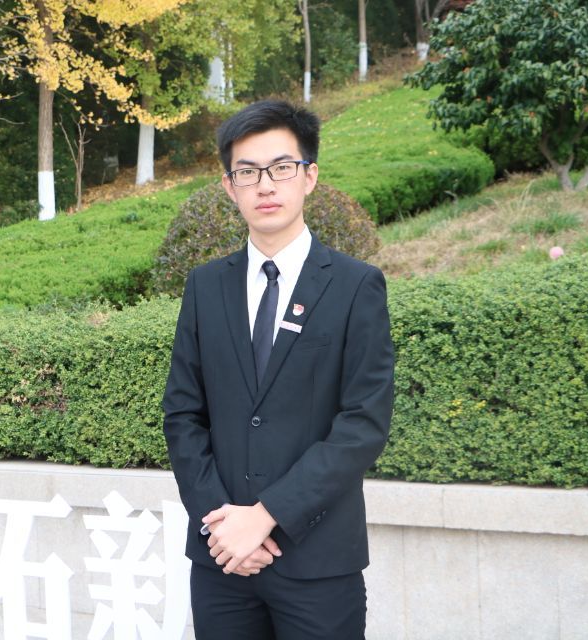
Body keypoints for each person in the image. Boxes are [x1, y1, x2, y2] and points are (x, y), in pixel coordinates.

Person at [162, 99, 394, 639]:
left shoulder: (355, 286)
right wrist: (223, 524)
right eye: (247, 172)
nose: (265, 185)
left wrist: (265, 516)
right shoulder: (205, 286)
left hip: (318, 562)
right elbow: (183, 414)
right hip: (222, 562)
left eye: (281, 168)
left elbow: (362, 424)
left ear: (309, 176)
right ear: (230, 186)